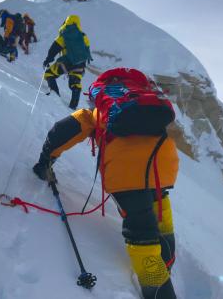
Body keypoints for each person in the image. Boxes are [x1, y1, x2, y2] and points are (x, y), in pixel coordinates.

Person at [32, 68, 178, 299]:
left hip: (126, 172)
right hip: (163, 164)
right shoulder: (144, 96)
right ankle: (166, 264)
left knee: (141, 232)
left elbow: (63, 131)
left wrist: (44, 163)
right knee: (159, 206)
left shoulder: (100, 110)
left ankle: (158, 289)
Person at [43, 15, 91, 109]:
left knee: (49, 74)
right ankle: (73, 106)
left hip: (66, 62)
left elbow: (54, 48)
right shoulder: (84, 36)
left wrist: (48, 60)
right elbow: (87, 51)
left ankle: (55, 94)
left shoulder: (65, 34)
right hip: (80, 64)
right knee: (75, 83)